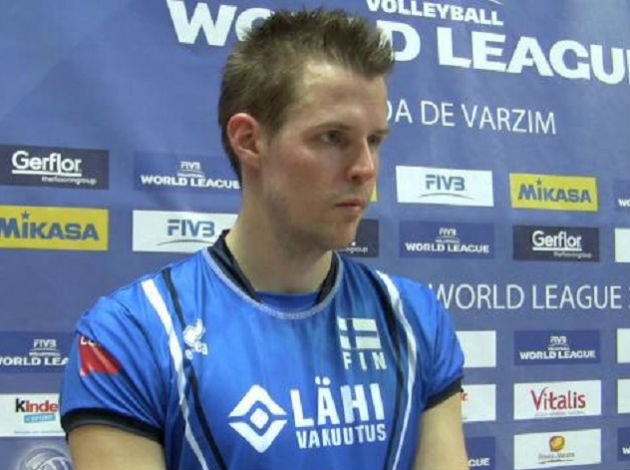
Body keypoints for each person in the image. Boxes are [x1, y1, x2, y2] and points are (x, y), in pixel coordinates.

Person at [60, 8, 469, 470]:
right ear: (249, 141)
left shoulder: (413, 318)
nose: (365, 168)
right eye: (333, 137)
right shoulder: (130, 333)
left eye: (374, 140)